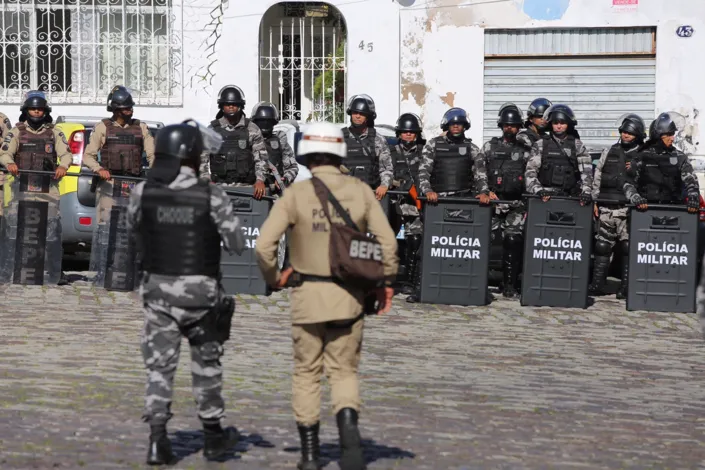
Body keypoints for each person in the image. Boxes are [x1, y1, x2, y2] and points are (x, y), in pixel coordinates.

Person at [255, 122, 398, 470]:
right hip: (349, 297)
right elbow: (388, 243)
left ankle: (309, 455)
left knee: (306, 373)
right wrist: (386, 282)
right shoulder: (361, 191)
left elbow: (264, 246)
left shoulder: (296, 194)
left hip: (307, 297)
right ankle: (350, 445)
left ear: (307, 154)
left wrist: (275, 278)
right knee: (344, 372)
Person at [126, 120, 245, 465]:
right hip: (201, 294)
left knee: (159, 367)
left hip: (158, 292)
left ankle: (157, 441)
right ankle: (212, 437)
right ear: (194, 156)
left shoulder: (143, 192)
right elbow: (237, 243)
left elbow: (135, 228)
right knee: (206, 364)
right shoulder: (212, 195)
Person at [0, 91, 72, 284]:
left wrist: (63, 166)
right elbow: (5, 154)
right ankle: (11, 268)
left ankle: (54, 270)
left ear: (45, 111)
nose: (37, 112)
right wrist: (10, 164)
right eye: (33, 108)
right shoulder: (16, 132)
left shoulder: (55, 132)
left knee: (50, 230)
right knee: (16, 229)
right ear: (26, 110)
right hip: (21, 188)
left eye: (40, 109)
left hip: (47, 189)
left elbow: (66, 154)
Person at [82, 85, 156, 271]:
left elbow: (153, 155)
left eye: (131, 107)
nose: (130, 111)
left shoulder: (141, 127)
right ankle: (104, 269)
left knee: (133, 227)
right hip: (110, 184)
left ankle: (131, 268)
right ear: (116, 110)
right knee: (106, 226)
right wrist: (99, 169)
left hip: (134, 184)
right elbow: (88, 156)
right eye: (125, 108)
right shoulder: (102, 127)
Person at [589, 114, 645, 297]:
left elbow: (648, 182)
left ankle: (626, 288)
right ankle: (597, 285)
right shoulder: (609, 151)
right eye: (623, 132)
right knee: (602, 247)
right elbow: (597, 176)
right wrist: (595, 200)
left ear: (637, 134)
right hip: (607, 207)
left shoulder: (643, 155)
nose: (625, 135)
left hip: (628, 210)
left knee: (628, 248)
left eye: (629, 132)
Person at [482, 103, 532, 298]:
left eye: (513, 125)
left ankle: (509, 285)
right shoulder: (489, 147)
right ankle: (481, 282)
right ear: (501, 126)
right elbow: (478, 171)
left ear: (519, 127)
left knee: (512, 242)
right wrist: (486, 191)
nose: (509, 128)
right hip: (492, 203)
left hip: (516, 204)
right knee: (484, 240)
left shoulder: (527, 150)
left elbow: (532, 174)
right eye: (506, 125)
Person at [199, 85, 270, 200]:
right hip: (218, 188)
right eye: (227, 104)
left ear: (241, 106)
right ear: (222, 107)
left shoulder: (252, 129)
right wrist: (206, 180)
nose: (231, 107)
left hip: (247, 188)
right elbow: (202, 159)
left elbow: (261, 157)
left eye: (235, 104)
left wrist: (260, 180)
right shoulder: (212, 130)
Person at [624, 111, 700, 214]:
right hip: (645, 212)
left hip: (674, 211)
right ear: (658, 135)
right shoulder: (642, 156)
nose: (672, 138)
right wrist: (635, 198)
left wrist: (693, 198)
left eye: (673, 134)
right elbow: (628, 183)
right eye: (668, 134)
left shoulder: (680, 157)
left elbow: (691, 182)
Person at [525, 104, 593, 205]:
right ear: (550, 124)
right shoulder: (541, 144)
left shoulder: (577, 145)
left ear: (568, 124)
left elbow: (587, 172)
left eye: (562, 123)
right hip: (545, 198)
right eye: (556, 123)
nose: (559, 126)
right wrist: (538, 190)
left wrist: (586, 192)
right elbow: (530, 172)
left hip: (570, 198)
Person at [389, 113, 424, 297]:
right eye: (405, 132)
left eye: (412, 132)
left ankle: (410, 281)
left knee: (415, 241)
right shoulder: (390, 151)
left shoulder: (424, 152)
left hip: (413, 204)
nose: (408, 135)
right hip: (394, 202)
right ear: (399, 133)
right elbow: (383, 172)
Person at [341, 94, 394, 201]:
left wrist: (384, 185)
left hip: (370, 195)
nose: (357, 116)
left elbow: (386, 169)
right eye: (355, 112)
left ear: (368, 116)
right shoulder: (339, 138)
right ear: (350, 114)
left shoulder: (378, 139)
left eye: (362, 114)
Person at [250, 101, 298, 192]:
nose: (265, 124)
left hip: (274, 193)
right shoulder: (248, 140)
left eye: (268, 121)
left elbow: (292, 167)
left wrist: (285, 179)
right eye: (261, 121)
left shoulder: (279, 141)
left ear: (274, 123)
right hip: (251, 190)